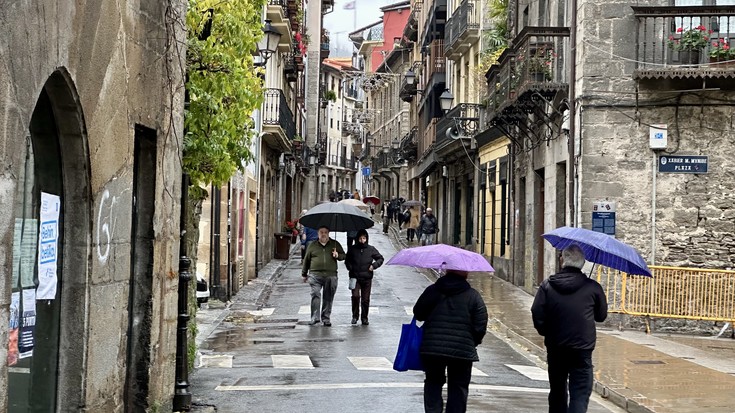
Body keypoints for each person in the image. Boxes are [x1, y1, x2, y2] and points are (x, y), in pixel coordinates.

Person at [531, 245, 608, 413]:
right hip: (582, 347)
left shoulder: (547, 286)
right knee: (580, 391)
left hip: (556, 345)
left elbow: (537, 312)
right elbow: (601, 316)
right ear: (583, 262)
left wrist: (546, 331)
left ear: (563, 260)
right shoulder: (593, 287)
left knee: (558, 390)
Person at [414, 269, 488, 413]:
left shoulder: (432, 291)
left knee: (433, 383)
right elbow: (480, 325)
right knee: (458, 387)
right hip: (462, 350)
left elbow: (418, 313)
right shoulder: (473, 296)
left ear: (447, 270)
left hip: (433, 348)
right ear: (465, 274)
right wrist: (472, 342)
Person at [302, 226, 346, 326]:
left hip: (331, 275)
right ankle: (315, 317)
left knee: (328, 297)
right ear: (318, 233)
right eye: (321, 232)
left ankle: (326, 318)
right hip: (315, 275)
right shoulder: (312, 245)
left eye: (325, 232)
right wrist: (304, 274)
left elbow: (344, 256)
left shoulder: (334, 244)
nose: (323, 234)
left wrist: (337, 255)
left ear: (328, 233)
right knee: (315, 294)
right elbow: (306, 260)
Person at [344, 229, 384, 325]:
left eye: (364, 238)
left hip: (366, 278)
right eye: (360, 238)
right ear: (357, 239)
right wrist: (350, 267)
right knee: (355, 296)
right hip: (355, 277)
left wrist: (374, 266)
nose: (362, 240)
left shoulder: (371, 249)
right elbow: (347, 260)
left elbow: (380, 258)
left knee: (365, 299)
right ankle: (355, 316)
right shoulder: (353, 249)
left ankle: (364, 317)